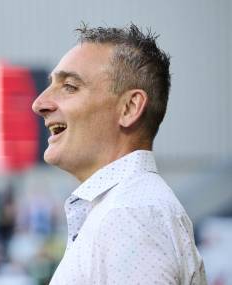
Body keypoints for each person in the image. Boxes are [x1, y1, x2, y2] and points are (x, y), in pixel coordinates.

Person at [32, 23, 206, 284]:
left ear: (129, 108)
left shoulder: (130, 213)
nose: (39, 104)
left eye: (69, 86)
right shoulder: (124, 207)